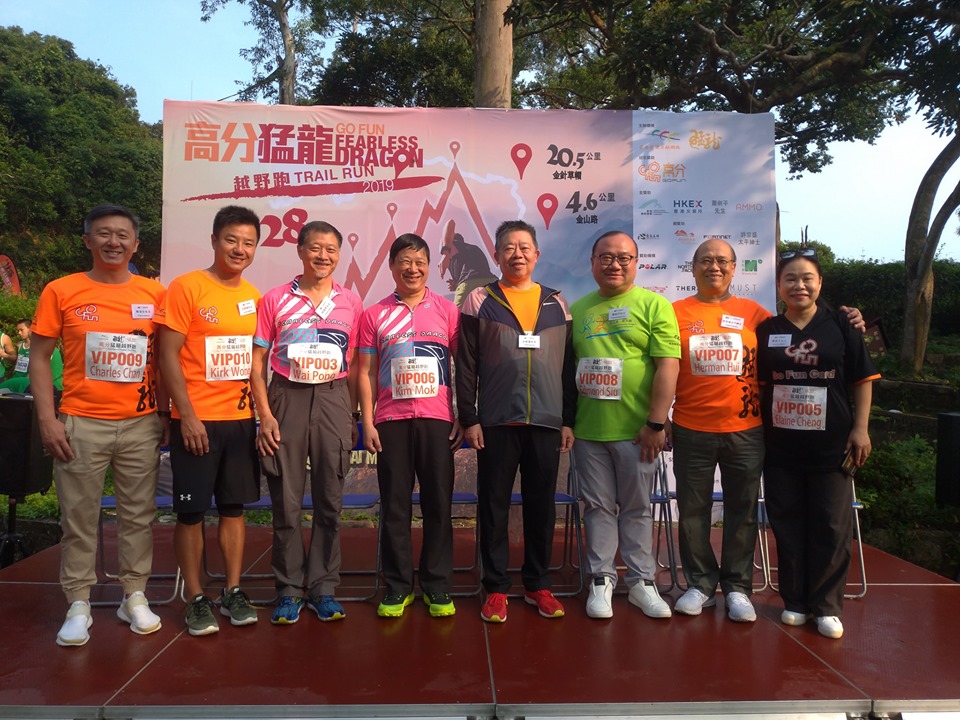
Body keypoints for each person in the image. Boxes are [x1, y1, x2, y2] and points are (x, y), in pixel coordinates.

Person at [670, 239, 864, 622]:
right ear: (692, 268)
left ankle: (738, 586)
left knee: (742, 510)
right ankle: (701, 584)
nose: (714, 267)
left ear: (734, 268)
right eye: (705, 260)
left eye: (723, 261)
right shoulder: (673, 312)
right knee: (693, 509)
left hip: (748, 430)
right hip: (691, 427)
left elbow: (805, 336)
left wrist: (850, 319)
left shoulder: (756, 315)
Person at [30, 204, 165, 647]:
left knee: (138, 515)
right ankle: (79, 604)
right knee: (79, 516)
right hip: (80, 423)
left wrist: (163, 414)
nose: (114, 242)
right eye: (104, 234)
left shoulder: (153, 293)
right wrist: (48, 419)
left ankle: (134, 595)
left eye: (123, 235)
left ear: (136, 244)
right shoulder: (62, 290)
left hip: (140, 424)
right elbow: (38, 357)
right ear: (87, 240)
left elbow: (163, 360)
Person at [457, 219, 576, 623]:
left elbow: (568, 369)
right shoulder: (479, 300)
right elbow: (466, 365)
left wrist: (567, 420)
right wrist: (469, 417)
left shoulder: (557, 303)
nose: (517, 254)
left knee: (542, 505)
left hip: (546, 420)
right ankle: (495, 587)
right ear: (496, 255)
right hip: (495, 420)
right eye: (508, 247)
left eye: (525, 247)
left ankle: (537, 584)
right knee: (493, 504)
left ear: (537, 254)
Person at [756, 247, 879, 639]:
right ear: (778, 286)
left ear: (820, 283)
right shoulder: (767, 330)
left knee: (831, 524)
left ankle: (826, 606)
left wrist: (861, 428)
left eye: (807, 278)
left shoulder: (842, 325)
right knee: (787, 522)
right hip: (780, 447)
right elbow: (757, 384)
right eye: (790, 278)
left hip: (832, 446)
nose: (799, 285)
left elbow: (861, 379)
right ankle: (794, 601)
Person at [250, 220, 362, 625]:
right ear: (300, 250)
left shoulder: (351, 302)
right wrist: (265, 415)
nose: (323, 256)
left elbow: (355, 366)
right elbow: (257, 361)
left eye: (331, 249)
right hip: (286, 397)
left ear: (339, 255)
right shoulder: (276, 299)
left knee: (331, 497)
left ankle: (324, 587)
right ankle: (288, 589)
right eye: (315, 248)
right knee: (287, 500)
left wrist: (352, 414)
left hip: (333, 398)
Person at [157, 205, 262, 636]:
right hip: (195, 422)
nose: (240, 249)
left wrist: (262, 416)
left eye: (249, 243)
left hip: (239, 420)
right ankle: (196, 597)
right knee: (192, 513)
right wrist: (187, 417)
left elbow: (255, 365)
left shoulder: (254, 297)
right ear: (215, 240)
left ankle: (233, 591)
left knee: (235, 510)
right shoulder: (186, 288)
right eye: (232, 240)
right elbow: (167, 356)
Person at [571, 230, 680, 619]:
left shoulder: (655, 306)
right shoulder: (580, 309)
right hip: (589, 431)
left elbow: (669, 364)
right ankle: (601, 580)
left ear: (637, 263)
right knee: (597, 507)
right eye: (606, 257)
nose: (614, 264)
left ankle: (641, 582)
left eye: (624, 258)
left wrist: (656, 422)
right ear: (593, 262)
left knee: (636, 508)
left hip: (639, 433)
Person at [357, 233, 463, 618]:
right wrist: (366, 421)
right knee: (396, 506)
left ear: (429, 266)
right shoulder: (373, 314)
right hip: (390, 422)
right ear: (392, 266)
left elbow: (463, 369)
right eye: (404, 260)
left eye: (419, 261)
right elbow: (365, 372)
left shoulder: (448, 311)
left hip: (438, 421)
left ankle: (437, 587)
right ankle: (397, 587)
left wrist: (463, 415)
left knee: (439, 505)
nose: (412, 268)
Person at [0, 319, 64, 394]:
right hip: (23, 383)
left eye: (21, 330)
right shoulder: (20, 345)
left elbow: (38, 369)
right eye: (18, 330)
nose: (19, 333)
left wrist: (4, 355)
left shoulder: (44, 349)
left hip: (46, 386)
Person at [439, 231, 497, 307]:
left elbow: (450, 224)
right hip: (491, 282)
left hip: (469, 284)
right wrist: (456, 285)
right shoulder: (473, 248)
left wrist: (445, 251)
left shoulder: (455, 247)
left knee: (456, 316)